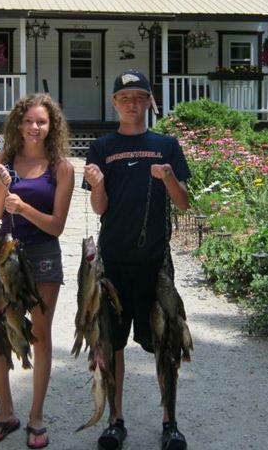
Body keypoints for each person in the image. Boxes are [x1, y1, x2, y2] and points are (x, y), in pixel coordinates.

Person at [83, 69, 191, 450]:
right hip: (113, 261)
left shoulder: (167, 144)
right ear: (114, 103)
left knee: (166, 343)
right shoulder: (102, 147)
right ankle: (115, 420)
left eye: (139, 97)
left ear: (148, 102)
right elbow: (101, 207)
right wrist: (97, 184)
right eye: (124, 98)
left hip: (155, 263)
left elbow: (184, 202)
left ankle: (170, 422)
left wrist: (167, 178)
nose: (132, 103)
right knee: (111, 343)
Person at [0, 93, 75, 449]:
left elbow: (56, 226)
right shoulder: (2, 159)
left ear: (52, 127)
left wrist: (22, 208)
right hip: (7, 253)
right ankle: (6, 412)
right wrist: (3, 187)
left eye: (42, 122)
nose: (34, 127)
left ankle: (36, 417)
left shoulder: (61, 167)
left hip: (44, 255)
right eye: (29, 121)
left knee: (38, 335)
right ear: (18, 123)